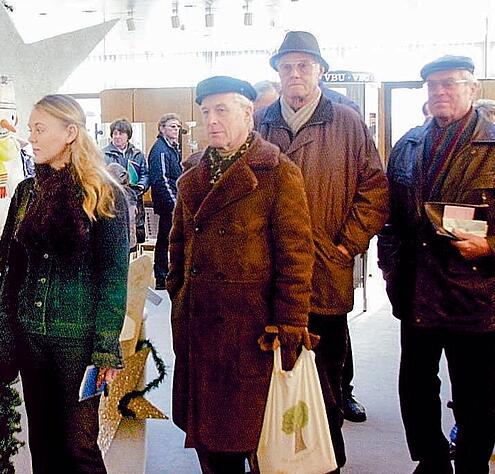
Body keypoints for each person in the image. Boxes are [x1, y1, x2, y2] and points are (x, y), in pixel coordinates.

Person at [379, 55, 495, 474]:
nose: (440, 91)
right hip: (415, 291)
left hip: (473, 291)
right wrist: (390, 267)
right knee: (415, 388)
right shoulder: (408, 145)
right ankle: (432, 461)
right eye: (433, 85)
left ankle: (473, 466)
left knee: (475, 394)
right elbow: (390, 218)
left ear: (472, 90)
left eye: (450, 83)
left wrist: (492, 247)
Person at [255, 30, 389, 467]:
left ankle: (328, 459)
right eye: (286, 66)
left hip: (325, 269)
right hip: (269, 274)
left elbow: (375, 191)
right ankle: (275, 460)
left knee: (325, 373)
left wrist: (345, 246)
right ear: (277, 72)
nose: (295, 73)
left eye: (303, 65)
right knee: (270, 371)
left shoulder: (346, 122)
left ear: (320, 71)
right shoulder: (261, 123)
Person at [169, 75, 315, 474]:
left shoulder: (278, 173)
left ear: (248, 113)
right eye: (205, 112)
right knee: (209, 442)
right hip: (198, 325)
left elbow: (296, 258)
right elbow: (178, 244)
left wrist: (289, 326)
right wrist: (178, 292)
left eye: (221, 110)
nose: (211, 120)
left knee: (253, 438)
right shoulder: (193, 172)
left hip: (249, 330)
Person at [0, 94, 129, 473]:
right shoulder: (25, 193)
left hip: (78, 342)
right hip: (31, 336)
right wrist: (3, 330)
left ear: (70, 133)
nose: (30, 138)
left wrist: (105, 348)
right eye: (30, 129)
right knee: (44, 442)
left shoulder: (103, 194)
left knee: (79, 446)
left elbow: (113, 278)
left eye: (39, 129)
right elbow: (9, 269)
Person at [147, 112, 183, 290]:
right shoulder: (160, 149)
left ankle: (167, 275)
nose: (176, 130)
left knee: (167, 239)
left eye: (178, 127)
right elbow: (161, 180)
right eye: (172, 126)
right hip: (168, 204)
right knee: (165, 240)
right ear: (162, 128)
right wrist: (174, 205)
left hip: (172, 201)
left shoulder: (171, 147)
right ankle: (161, 277)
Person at [102, 118, 148, 243]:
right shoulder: (103, 154)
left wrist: (141, 186)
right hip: (113, 200)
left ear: (128, 135)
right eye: (114, 133)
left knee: (134, 237)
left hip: (134, 199)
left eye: (120, 133)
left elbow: (145, 174)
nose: (117, 137)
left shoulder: (137, 154)